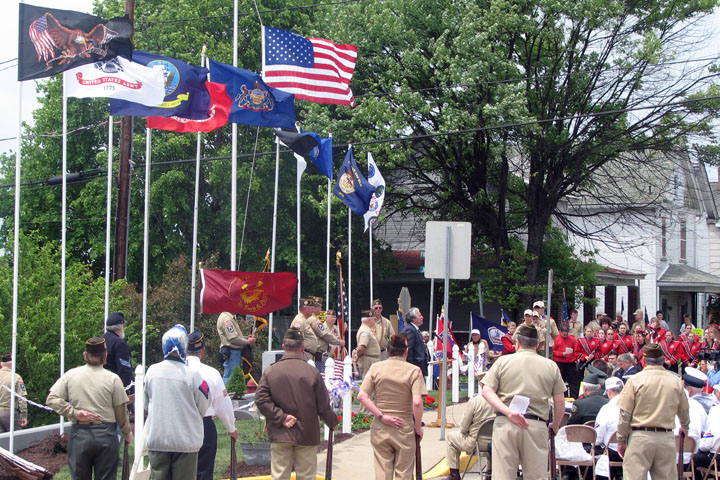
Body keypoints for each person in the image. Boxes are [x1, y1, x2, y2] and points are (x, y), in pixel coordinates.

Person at [481, 324, 565, 480]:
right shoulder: (550, 366)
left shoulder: (502, 362)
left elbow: (487, 391)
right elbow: (559, 401)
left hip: (505, 422)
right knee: (536, 476)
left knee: (503, 476)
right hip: (536, 424)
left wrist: (508, 412)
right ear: (538, 344)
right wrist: (555, 425)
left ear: (517, 342)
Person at [255, 327, 338, 480]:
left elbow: (260, 399)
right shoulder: (312, 372)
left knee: (279, 476)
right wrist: (332, 422)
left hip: (280, 432)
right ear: (302, 347)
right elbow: (323, 404)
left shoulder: (271, 371)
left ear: (283, 347)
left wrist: (281, 417)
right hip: (306, 433)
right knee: (306, 476)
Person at [46, 337, 132, 480]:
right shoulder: (113, 379)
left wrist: (74, 413)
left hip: (79, 434)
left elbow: (51, 399)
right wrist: (126, 432)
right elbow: (120, 411)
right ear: (105, 356)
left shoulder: (71, 375)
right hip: (106, 435)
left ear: (84, 355)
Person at [144, 325, 211, 480]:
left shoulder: (151, 372)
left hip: (158, 440)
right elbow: (204, 405)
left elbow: (146, 405)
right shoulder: (194, 375)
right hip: (185, 442)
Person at [358, 333, 427, 480]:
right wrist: (418, 427)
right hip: (404, 424)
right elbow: (417, 402)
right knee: (404, 472)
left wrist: (381, 416)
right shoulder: (414, 371)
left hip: (381, 424)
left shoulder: (375, 368)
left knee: (382, 471)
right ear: (406, 352)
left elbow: (362, 396)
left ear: (388, 351)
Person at [616, 343, 690, 480]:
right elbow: (684, 410)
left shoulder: (635, 381)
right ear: (662, 359)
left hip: (640, 436)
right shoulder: (675, 382)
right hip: (666, 437)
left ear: (644, 360)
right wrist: (685, 426)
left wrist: (621, 439)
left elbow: (625, 414)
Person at [186, 330, 237, 480]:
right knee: (203, 472)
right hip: (204, 425)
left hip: (180, 425)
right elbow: (222, 405)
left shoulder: (176, 371)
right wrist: (231, 428)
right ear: (202, 350)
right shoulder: (211, 373)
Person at [443, 380, 495, 480]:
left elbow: (463, 428)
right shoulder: (502, 401)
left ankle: (454, 474)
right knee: (490, 437)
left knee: (450, 437)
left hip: (475, 443)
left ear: (481, 384)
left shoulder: (475, 401)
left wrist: (465, 429)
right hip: (496, 443)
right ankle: (490, 471)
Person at [593, 377, 624, 480]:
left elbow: (597, 438)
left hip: (612, 452)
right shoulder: (634, 406)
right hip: (632, 452)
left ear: (609, 392)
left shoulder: (606, 409)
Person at [217, 311, 257, 383]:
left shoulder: (225, 316)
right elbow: (233, 338)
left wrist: (246, 338)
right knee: (231, 378)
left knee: (230, 376)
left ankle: (227, 393)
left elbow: (233, 336)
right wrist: (248, 342)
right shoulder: (227, 319)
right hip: (232, 353)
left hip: (231, 352)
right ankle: (228, 394)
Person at [0, 352, 27, 433]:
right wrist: (23, 415)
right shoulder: (15, 377)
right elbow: (22, 397)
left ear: (1, 364)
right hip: (9, 413)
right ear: (12, 364)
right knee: (15, 440)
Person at [553, 323, 578, 398]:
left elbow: (576, 350)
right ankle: (560, 397)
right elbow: (553, 352)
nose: (565, 335)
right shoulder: (557, 339)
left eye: (567, 334)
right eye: (564, 334)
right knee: (560, 382)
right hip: (560, 362)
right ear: (560, 332)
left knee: (573, 382)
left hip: (570, 363)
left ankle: (574, 397)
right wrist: (561, 354)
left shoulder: (572, 339)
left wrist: (575, 358)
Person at [405, 307, 430, 377]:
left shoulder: (415, 329)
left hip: (420, 367)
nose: (422, 317)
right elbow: (408, 349)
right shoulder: (410, 330)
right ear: (413, 319)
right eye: (419, 315)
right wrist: (412, 367)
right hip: (415, 368)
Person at [357, 312, 382, 378]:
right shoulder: (365, 331)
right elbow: (361, 348)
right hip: (368, 360)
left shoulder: (368, 330)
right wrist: (358, 356)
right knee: (368, 380)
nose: (375, 321)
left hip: (371, 359)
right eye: (374, 319)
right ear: (369, 320)